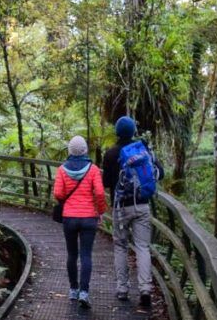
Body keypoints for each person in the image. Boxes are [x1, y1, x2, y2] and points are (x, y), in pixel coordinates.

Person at [102, 116, 163, 308]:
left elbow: (105, 183)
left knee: (120, 245)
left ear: (118, 132)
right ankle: (145, 289)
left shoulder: (111, 153)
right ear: (133, 132)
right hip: (142, 205)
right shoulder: (142, 149)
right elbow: (160, 172)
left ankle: (122, 289)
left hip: (120, 207)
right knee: (142, 247)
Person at [53, 135, 106, 309]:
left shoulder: (62, 170)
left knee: (72, 254)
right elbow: (99, 193)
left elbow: (58, 193)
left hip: (69, 217)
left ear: (70, 150)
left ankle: (73, 290)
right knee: (86, 255)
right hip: (89, 218)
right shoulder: (93, 170)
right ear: (85, 150)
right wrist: (101, 211)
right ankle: (84, 292)